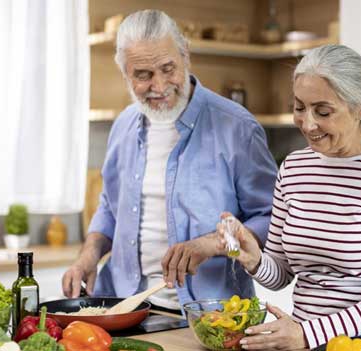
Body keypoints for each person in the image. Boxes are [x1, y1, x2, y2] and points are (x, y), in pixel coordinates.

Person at [215, 45, 361, 350]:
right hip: (305, 338)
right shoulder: (294, 167)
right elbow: (281, 275)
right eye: (300, 107)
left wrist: (308, 334)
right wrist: (253, 258)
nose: (308, 123)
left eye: (323, 111)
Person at [62, 10, 277, 311]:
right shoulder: (123, 126)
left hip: (209, 315)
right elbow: (111, 209)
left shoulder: (236, 127)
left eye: (168, 68)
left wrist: (212, 243)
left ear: (185, 55)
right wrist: (88, 255)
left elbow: (272, 219)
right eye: (143, 75)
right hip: (123, 306)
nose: (160, 86)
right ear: (124, 73)